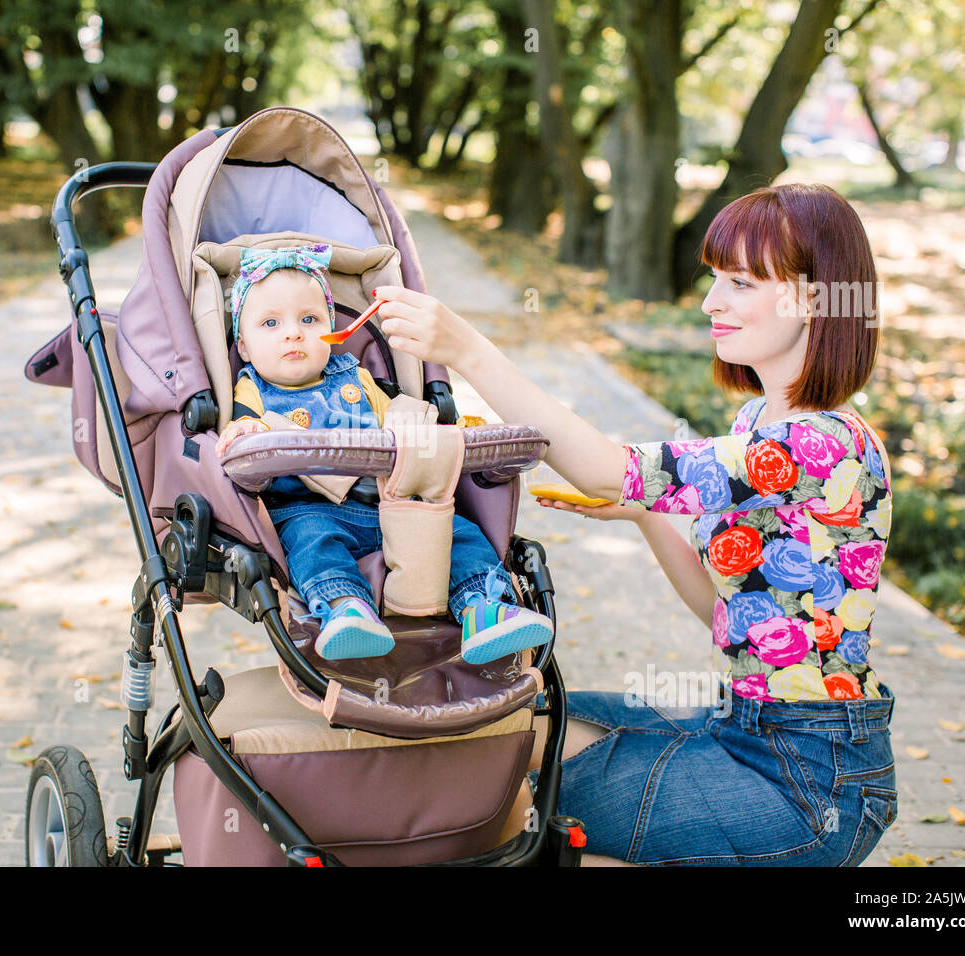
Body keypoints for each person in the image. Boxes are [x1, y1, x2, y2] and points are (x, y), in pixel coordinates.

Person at [377, 183, 898, 866]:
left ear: (813, 298)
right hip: (746, 731)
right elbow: (726, 616)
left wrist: (468, 349)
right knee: (509, 726)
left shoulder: (820, 445)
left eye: (739, 283)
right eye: (716, 280)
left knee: (513, 796)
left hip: (807, 783)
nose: (712, 303)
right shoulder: (757, 424)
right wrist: (644, 513)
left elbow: (602, 466)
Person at [215, 242, 553, 665]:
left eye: (309, 319)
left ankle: (485, 608)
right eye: (271, 323)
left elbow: (403, 417)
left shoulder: (356, 376)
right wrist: (246, 430)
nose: (293, 332)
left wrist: (444, 429)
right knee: (310, 541)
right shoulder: (254, 391)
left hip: (392, 503)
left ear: (332, 329)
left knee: (458, 533)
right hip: (309, 508)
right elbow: (244, 436)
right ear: (244, 347)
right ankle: (347, 609)